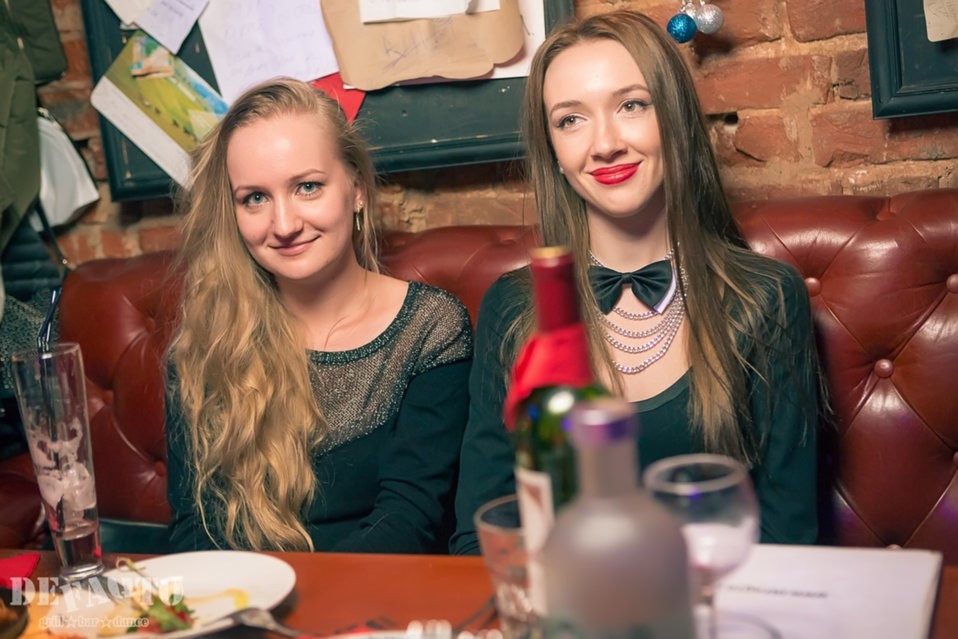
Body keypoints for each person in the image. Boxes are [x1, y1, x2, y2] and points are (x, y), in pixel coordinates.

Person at [451, 11, 822, 554]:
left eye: (631, 105)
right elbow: (481, 535)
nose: (605, 144)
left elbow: (788, 540)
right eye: (570, 120)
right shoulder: (514, 307)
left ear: (674, 117)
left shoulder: (765, 296)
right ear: (552, 150)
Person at [165, 78, 472, 553]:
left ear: (356, 189)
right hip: (242, 595)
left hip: (380, 592)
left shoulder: (430, 328)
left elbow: (408, 522)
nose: (284, 225)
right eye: (255, 198)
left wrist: (299, 595)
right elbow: (194, 530)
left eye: (307, 187)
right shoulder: (210, 340)